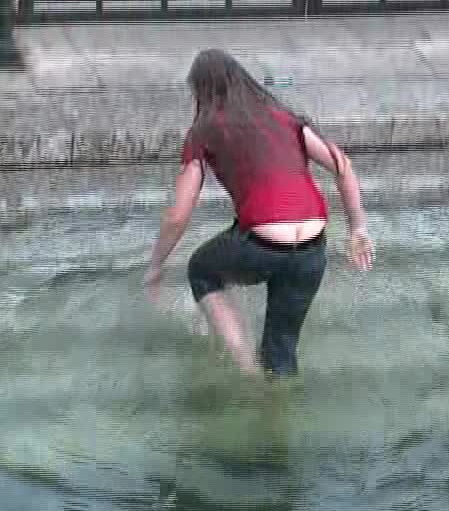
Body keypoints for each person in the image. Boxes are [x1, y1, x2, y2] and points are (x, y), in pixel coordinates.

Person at [144, 49, 373, 376]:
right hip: (312, 249)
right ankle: (276, 394)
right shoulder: (286, 119)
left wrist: (155, 266)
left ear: (200, 92)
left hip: (261, 245)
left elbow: (178, 215)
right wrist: (357, 229)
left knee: (202, 271)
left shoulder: (204, 129)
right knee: (281, 355)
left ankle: (244, 365)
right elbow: (343, 166)